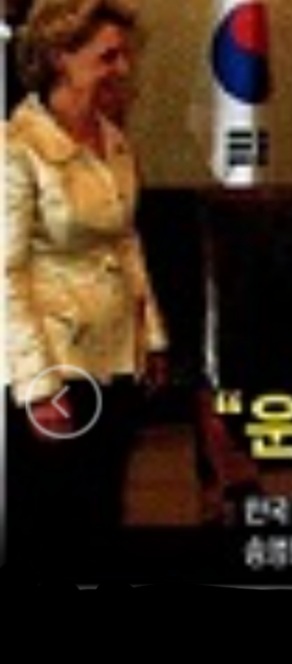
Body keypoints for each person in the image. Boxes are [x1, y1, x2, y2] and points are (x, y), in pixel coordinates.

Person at [4, 0, 168, 562]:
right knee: (48, 524)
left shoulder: (111, 138)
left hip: (115, 355)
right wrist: (39, 387)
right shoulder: (16, 149)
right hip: (55, 361)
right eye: (108, 57)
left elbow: (126, 241)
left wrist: (153, 337)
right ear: (60, 58)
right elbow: (4, 276)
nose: (124, 68)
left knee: (102, 515)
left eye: (124, 55)